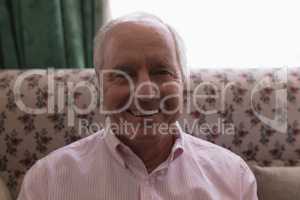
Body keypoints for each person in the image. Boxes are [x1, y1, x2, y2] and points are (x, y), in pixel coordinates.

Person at [17, 13, 258, 200]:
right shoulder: (46, 182)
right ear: (100, 87)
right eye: (123, 73)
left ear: (183, 83)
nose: (146, 91)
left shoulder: (233, 178)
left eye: (161, 71)